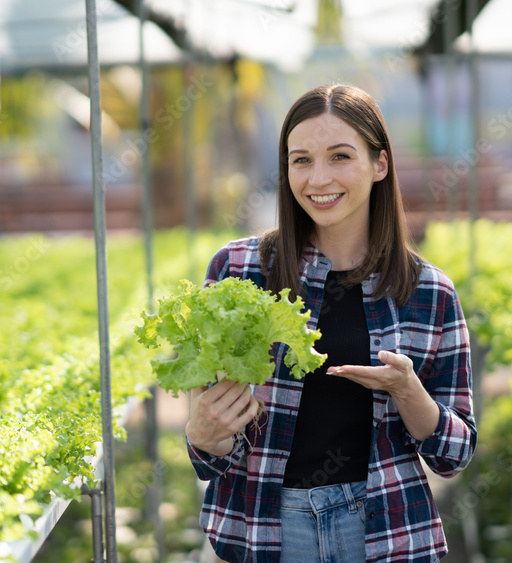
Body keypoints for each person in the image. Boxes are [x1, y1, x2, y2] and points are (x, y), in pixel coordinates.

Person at [185, 83, 476, 562]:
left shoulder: (429, 290)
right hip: (267, 530)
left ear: (380, 164)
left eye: (339, 156)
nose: (318, 178)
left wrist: (408, 392)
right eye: (301, 160)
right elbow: (211, 452)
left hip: (386, 530)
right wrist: (201, 434)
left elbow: (455, 454)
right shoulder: (237, 270)